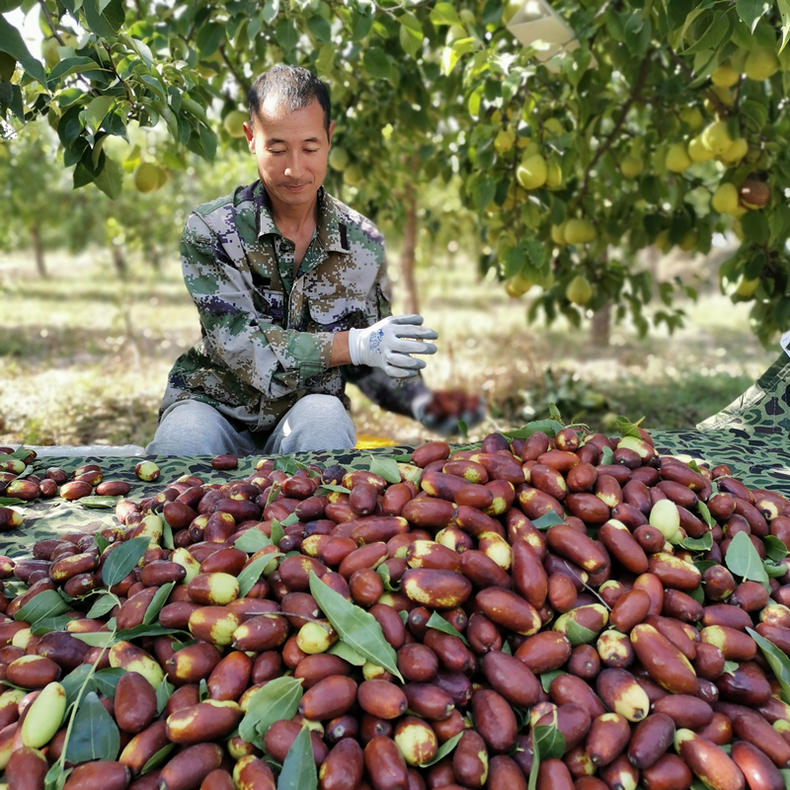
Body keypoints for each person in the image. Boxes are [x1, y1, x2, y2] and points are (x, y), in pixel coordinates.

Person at [146, 65, 480, 457]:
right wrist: (353, 344)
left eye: (309, 148)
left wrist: (421, 401)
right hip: (215, 407)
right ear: (251, 139)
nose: (294, 169)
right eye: (276, 149)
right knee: (181, 444)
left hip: (307, 408)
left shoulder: (362, 243)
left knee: (325, 422)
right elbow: (242, 346)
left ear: (329, 138)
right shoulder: (213, 230)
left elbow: (368, 360)